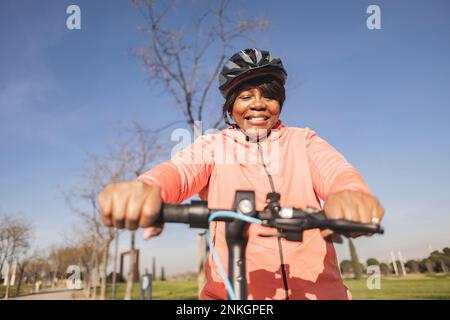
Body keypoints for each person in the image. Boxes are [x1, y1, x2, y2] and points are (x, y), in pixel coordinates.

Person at [98, 48, 384, 300]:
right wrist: (148, 188)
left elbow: (336, 172)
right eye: (246, 96)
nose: (258, 104)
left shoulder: (303, 141)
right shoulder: (213, 146)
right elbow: (180, 171)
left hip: (319, 294)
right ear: (230, 107)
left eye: (269, 96)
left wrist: (350, 196)